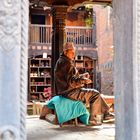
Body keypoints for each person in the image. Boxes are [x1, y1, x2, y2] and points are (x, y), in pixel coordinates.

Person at [54, 42, 114, 125]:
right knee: (95, 94)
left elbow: (71, 78)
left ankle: (106, 113)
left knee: (95, 93)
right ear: (65, 52)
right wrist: (83, 80)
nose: (73, 54)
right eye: (71, 52)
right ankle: (94, 118)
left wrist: (82, 76)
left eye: (74, 52)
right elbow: (71, 82)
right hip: (69, 92)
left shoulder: (62, 61)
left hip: (65, 91)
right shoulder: (66, 63)